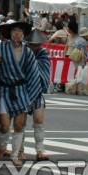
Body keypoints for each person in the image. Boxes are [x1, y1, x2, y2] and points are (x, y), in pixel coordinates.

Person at [0, 19, 41, 166]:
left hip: (21, 90)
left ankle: (15, 154)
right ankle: (0, 146)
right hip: (4, 90)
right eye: (14, 31)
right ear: (10, 33)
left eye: (19, 31)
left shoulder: (28, 52)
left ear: (24, 34)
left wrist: (31, 95)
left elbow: (33, 74)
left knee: (19, 125)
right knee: (4, 125)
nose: (17, 33)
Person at [23, 29, 51, 161]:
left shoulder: (43, 53)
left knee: (39, 120)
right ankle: (19, 149)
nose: (35, 46)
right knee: (20, 122)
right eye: (32, 44)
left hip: (37, 89)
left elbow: (44, 69)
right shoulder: (21, 52)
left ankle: (40, 149)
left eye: (37, 44)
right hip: (22, 89)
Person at [64, 18, 88, 95]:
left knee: (78, 74)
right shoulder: (83, 41)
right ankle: (70, 86)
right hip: (80, 59)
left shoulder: (78, 39)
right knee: (80, 75)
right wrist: (84, 60)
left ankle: (76, 89)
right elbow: (83, 52)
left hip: (73, 57)